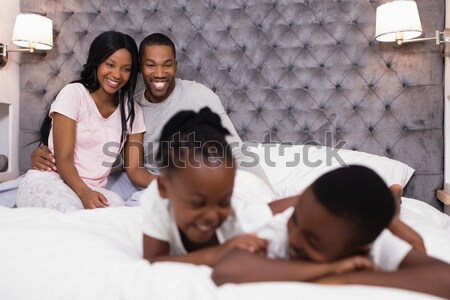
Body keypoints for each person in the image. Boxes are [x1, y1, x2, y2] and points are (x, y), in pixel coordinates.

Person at [30, 32, 271, 203]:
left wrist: (268, 194)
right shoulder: (128, 105)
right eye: (150, 65)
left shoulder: (195, 97)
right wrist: (45, 151)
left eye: (167, 65)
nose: (159, 73)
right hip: (97, 185)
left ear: (175, 66)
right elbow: (101, 158)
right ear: (141, 68)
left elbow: (236, 152)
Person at [211, 166, 450, 298]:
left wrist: (346, 279)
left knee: (390, 214)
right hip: (280, 209)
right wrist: (329, 270)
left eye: (314, 241)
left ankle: (393, 200)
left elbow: (438, 271)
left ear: (361, 249)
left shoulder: (376, 244)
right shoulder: (285, 228)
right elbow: (227, 269)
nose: (294, 240)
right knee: (276, 210)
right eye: (295, 223)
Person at [15, 31, 147, 212]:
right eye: (110, 64)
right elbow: (64, 159)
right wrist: (84, 193)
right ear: (97, 62)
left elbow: (135, 170)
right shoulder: (74, 94)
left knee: (117, 214)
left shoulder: (132, 111)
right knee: (72, 217)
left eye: (126, 68)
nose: (117, 74)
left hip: (96, 190)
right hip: (55, 181)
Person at [141, 107, 278, 266]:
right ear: (163, 189)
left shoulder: (241, 219)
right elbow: (153, 261)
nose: (212, 216)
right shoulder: (156, 200)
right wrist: (219, 252)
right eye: (197, 203)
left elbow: (276, 208)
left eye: (223, 203)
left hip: (249, 189)